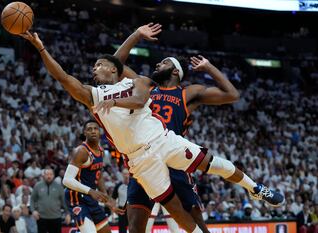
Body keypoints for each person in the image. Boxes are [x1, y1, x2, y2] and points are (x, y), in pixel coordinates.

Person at [21, 30, 284, 233]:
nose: (93, 69)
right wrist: (41, 47)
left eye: (97, 65)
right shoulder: (94, 94)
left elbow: (132, 93)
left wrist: (113, 101)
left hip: (164, 140)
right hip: (139, 159)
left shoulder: (149, 84)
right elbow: (72, 76)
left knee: (212, 166)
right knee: (163, 213)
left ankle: (255, 188)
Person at [113, 23, 242, 233]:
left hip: (174, 158)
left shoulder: (188, 93)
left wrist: (209, 67)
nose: (156, 65)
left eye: (162, 63)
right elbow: (114, 65)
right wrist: (136, 34)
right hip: (146, 160)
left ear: (174, 70)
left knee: (196, 225)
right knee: (135, 227)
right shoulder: (145, 86)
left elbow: (232, 95)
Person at [63, 120, 123, 233]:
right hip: (76, 198)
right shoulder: (81, 151)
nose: (93, 131)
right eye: (89, 129)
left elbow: (99, 177)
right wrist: (90, 191)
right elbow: (66, 180)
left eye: (95, 128)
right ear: (85, 133)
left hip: (90, 197)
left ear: (100, 132)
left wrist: (107, 200)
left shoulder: (101, 151)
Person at [30, 168, 70, 233]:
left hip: (56, 218)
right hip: (41, 218)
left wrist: (67, 214)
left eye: (51, 174)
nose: (49, 176)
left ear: (53, 175)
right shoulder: (38, 186)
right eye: (47, 174)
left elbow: (64, 202)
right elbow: (32, 199)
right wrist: (33, 211)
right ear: (44, 175)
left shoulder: (59, 187)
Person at [112, 169, 129, 233]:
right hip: (121, 210)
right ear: (122, 175)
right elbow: (113, 199)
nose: (126, 176)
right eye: (124, 174)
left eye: (127, 174)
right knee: (122, 229)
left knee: (133, 228)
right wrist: (113, 215)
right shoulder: (118, 186)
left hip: (132, 210)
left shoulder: (133, 185)